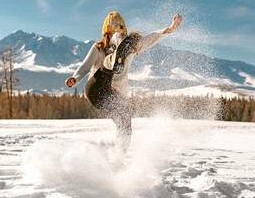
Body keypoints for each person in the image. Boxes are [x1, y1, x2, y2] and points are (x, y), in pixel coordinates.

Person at [66, 11, 182, 160]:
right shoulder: (98, 48)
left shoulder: (131, 46)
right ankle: (113, 60)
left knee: (125, 123)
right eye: (113, 34)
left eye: (119, 34)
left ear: (124, 34)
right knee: (108, 65)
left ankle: (118, 159)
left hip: (116, 96)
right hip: (97, 89)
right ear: (106, 35)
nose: (116, 37)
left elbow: (150, 39)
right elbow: (85, 66)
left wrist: (169, 29)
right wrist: (74, 79)